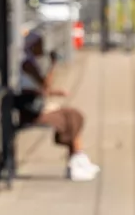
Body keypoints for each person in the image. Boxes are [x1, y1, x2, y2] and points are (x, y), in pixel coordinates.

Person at [19, 31, 98, 181]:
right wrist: (52, 65)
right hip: (30, 110)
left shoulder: (29, 61)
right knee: (71, 116)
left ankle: (77, 159)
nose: (42, 48)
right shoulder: (27, 63)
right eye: (39, 45)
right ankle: (77, 159)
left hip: (34, 105)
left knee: (73, 115)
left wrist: (55, 90)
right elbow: (44, 85)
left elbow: (43, 88)